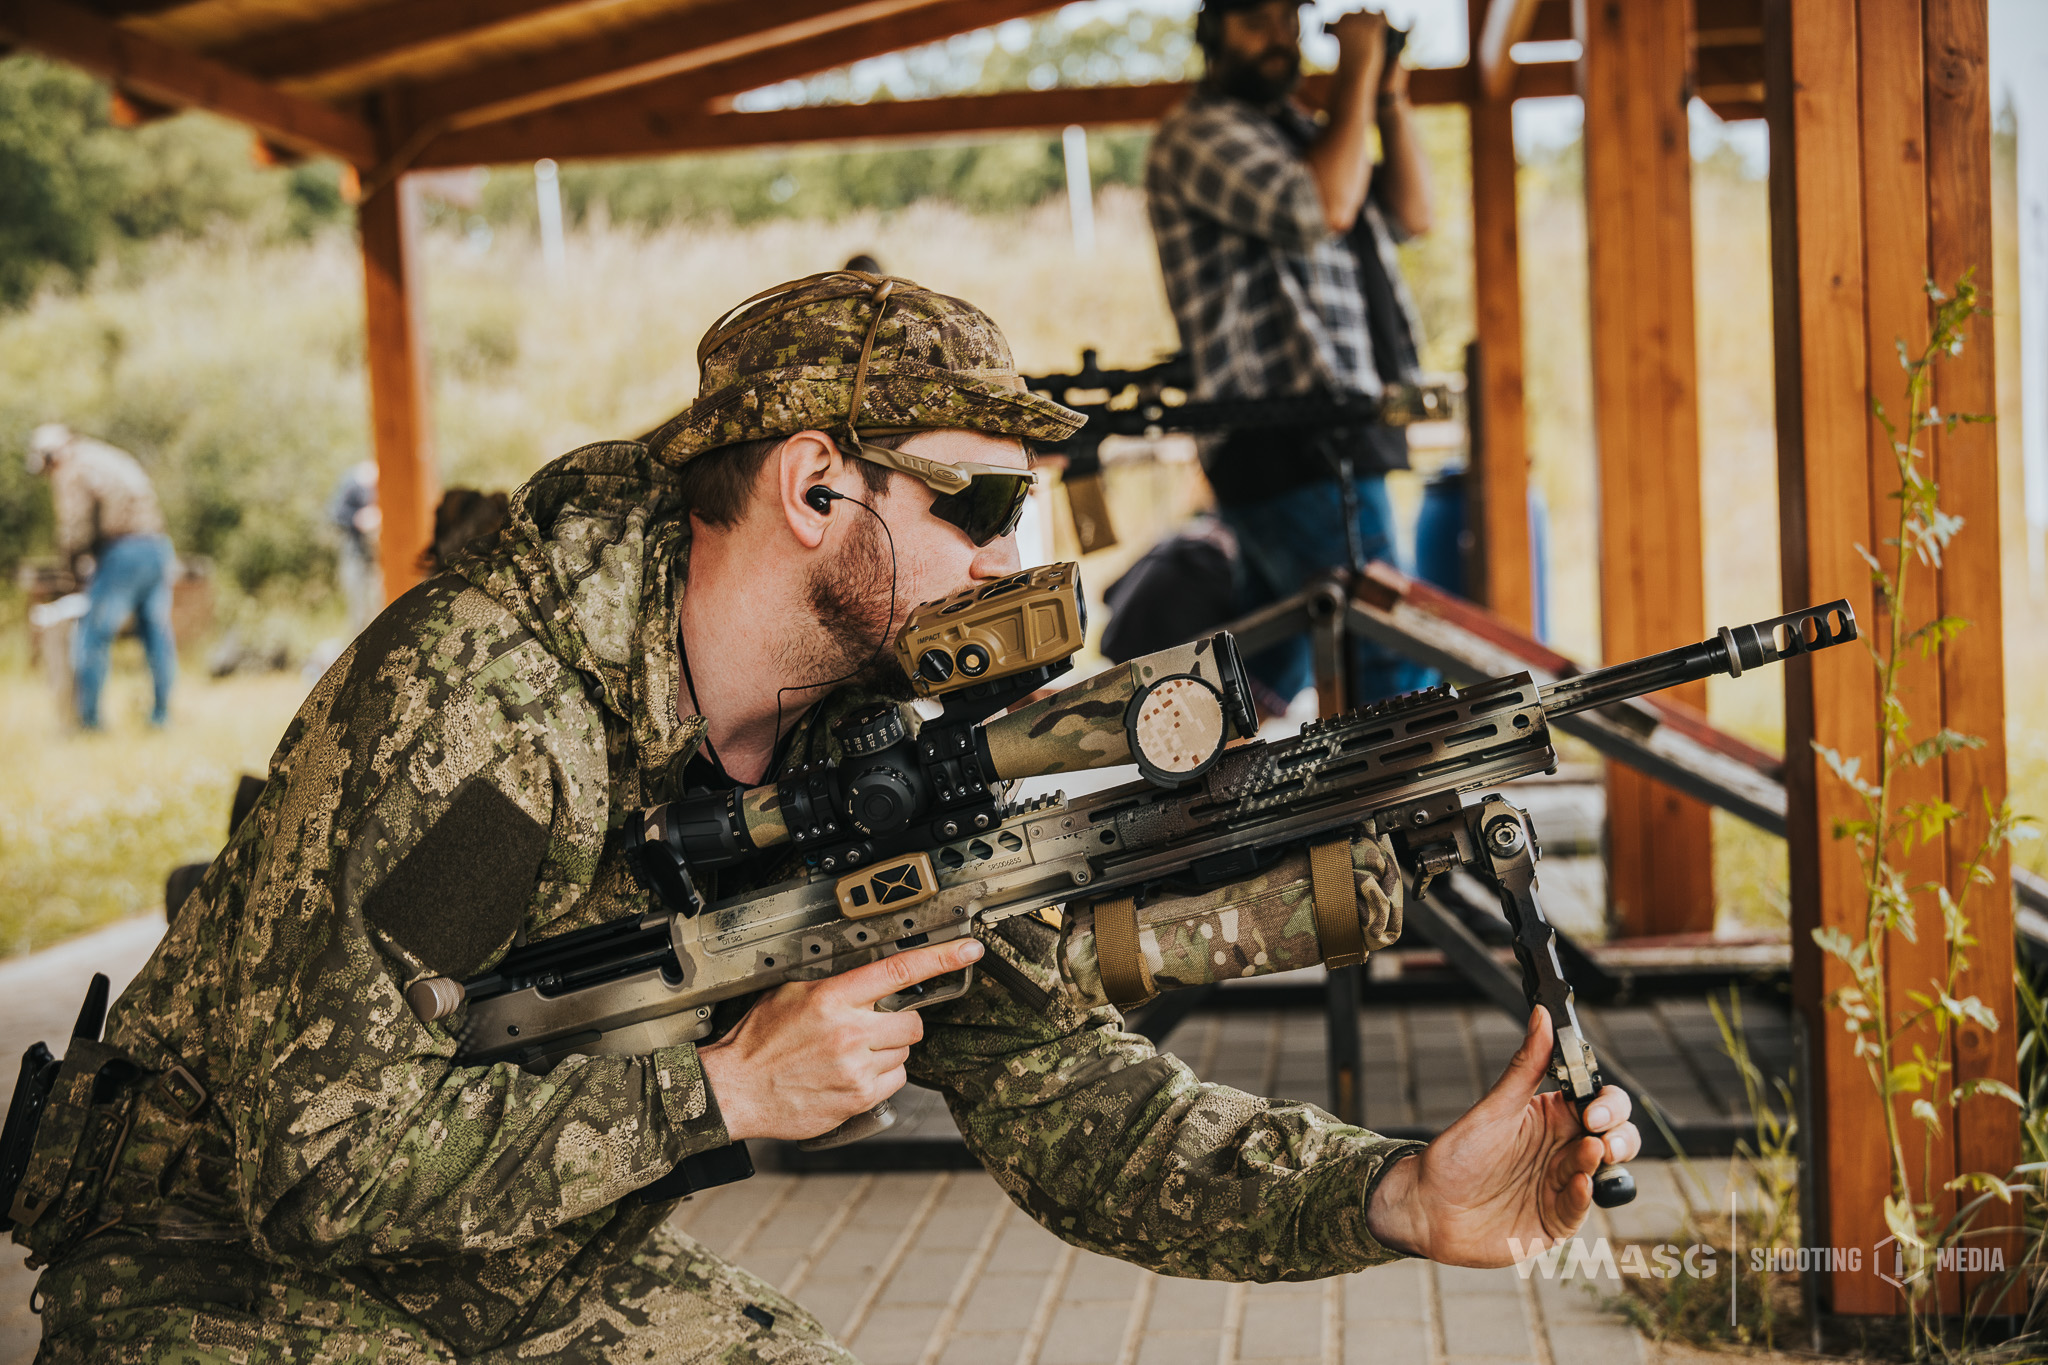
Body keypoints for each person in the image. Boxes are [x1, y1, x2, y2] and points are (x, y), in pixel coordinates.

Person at [20, 274, 1636, 1362]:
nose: (1017, 561)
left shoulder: (853, 740)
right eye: (981, 504)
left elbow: (1057, 1090)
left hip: (509, 1250)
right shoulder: (499, 728)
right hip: (216, 1257)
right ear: (812, 488)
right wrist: (722, 1091)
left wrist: (1390, 1195)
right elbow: (323, 1165)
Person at [1146, 0, 1436, 710]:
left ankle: (1209, 795)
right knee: (1388, 655)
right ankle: (1393, 815)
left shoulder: (1305, 135)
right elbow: (1323, 208)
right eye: (1254, 16)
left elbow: (1411, 214)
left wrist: (1387, 99)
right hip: (1287, 440)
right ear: (1211, 33)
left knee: (1256, 681)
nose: (1278, 34)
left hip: (1329, 434)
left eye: (1288, 17)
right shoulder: (1200, 135)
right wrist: (1359, 66)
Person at [26, 423, 177, 730]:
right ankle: (161, 716)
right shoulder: (105, 455)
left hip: (123, 553)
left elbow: (75, 528)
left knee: (92, 636)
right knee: (155, 633)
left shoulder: (73, 468)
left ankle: (90, 723)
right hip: (156, 546)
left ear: (54, 453)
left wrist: (71, 570)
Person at [328, 460, 383, 631]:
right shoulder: (351, 484)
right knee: (359, 607)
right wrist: (358, 519)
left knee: (378, 602)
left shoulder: (383, 485)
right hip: (355, 554)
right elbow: (334, 514)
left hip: (378, 557)